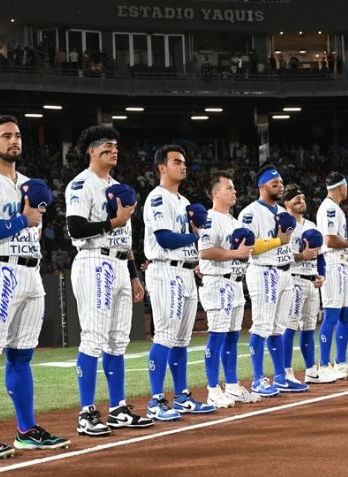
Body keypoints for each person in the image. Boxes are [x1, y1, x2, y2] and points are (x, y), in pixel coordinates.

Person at [0, 114, 69, 458]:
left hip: (30, 272)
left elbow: (33, 231)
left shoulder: (29, 183)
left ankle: (26, 430)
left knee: (22, 356)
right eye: (6, 135)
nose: (14, 141)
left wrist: (30, 219)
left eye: (18, 135)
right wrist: (24, 217)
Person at [66, 125, 152, 437]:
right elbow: (75, 227)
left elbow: (125, 237)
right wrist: (114, 220)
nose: (113, 149)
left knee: (118, 340)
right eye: (105, 145)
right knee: (93, 338)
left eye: (115, 145)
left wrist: (133, 275)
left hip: (118, 264)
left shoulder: (118, 185)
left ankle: (118, 408)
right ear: (90, 150)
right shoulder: (82, 184)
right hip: (94, 261)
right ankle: (86, 412)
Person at [143, 145, 215, 421]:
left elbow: (185, 241)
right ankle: (155, 400)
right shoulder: (157, 198)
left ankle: (182, 395)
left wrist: (195, 252)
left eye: (184, 162)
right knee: (165, 336)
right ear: (162, 167)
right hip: (165, 271)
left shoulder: (184, 202)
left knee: (182, 340)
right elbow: (165, 238)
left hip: (185, 272)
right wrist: (196, 236)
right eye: (176, 162)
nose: (183, 166)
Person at [238, 164, 306, 395]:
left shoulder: (282, 214)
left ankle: (280, 377)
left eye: (281, 183)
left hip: (285, 272)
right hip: (264, 271)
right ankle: (257, 379)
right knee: (263, 325)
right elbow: (248, 247)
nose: (280, 187)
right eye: (274, 183)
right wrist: (277, 241)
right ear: (262, 185)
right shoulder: (250, 213)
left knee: (278, 328)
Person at [197, 172, 259, 407]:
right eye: (229, 188)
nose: (234, 192)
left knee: (233, 336)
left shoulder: (234, 222)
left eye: (233, 188)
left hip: (234, 281)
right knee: (217, 336)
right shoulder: (209, 219)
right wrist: (236, 254)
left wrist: (243, 258)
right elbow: (205, 251)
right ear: (215, 193)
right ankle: (213, 389)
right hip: (218, 282)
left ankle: (232, 386)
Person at [283, 184, 334, 384]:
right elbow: (281, 255)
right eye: (297, 199)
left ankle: (311, 370)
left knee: (308, 328)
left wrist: (321, 275)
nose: (301, 202)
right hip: (294, 279)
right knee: (290, 326)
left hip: (312, 282)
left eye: (303, 198)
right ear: (287, 203)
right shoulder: (284, 225)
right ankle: (286, 372)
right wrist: (301, 255)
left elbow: (320, 256)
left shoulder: (312, 225)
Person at [316, 172, 348, 378]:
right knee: (333, 314)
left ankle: (341, 363)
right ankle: (324, 365)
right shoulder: (328, 208)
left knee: (346, 314)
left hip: (343, 264)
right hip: (333, 263)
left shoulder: (336, 208)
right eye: (346, 186)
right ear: (341, 187)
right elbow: (329, 241)